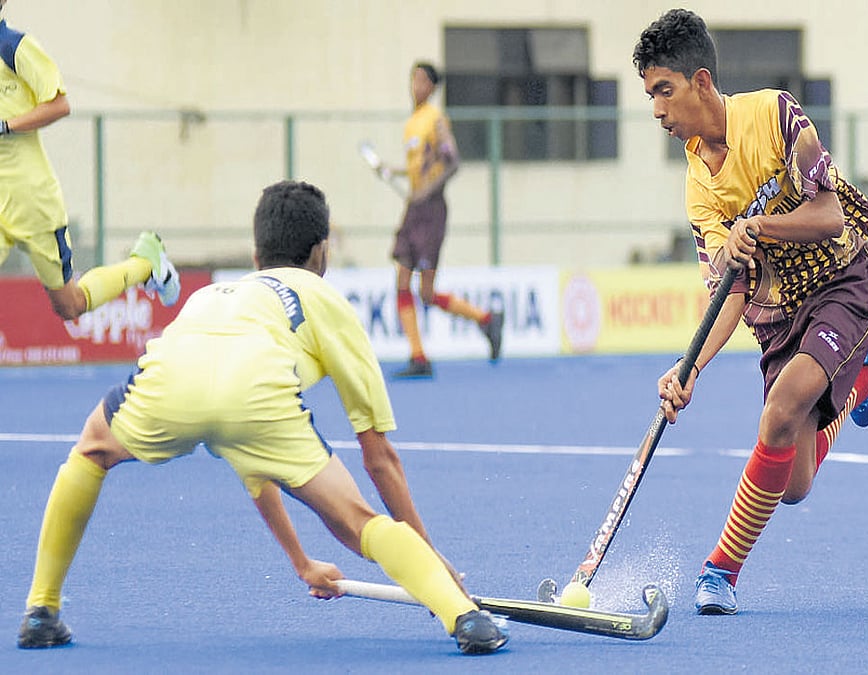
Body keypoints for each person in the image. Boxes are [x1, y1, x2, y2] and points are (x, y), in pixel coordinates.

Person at [16, 180, 509, 655]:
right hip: (262, 395)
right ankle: (464, 618)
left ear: (256, 257)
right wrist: (429, 558)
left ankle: (41, 611)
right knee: (355, 522)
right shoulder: (326, 300)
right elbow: (379, 458)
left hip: (171, 381)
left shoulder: (211, 296)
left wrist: (302, 564)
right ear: (322, 253)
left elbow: (244, 455)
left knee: (91, 450)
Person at [633, 9, 868, 615]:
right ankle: (861, 378)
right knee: (792, 484)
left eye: (664, 91)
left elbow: (829, 214)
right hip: (779, 313)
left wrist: (758, 224)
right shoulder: (697, 184)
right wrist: (688, 368)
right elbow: (730, 292)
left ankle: (719, 570)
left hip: (842, 280)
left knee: (782, 405)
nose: (657, 111)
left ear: (700, 82)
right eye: (649, 97)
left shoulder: (773, 114)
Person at [0, 2, 179, 319]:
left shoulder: (14, 46)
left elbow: (58, 105)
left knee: (70, 305)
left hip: (31, 198)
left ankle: (145, 263)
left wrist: (6, 126)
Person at [375, 61, 503, 379]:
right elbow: (420, 167)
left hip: (431, 211)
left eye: (422, 80)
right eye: (413, 79)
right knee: (402, 279)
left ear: (432, 88)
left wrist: (426, 192)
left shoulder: (435, 120)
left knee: (427, 292)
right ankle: (419, 356)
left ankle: (486, 319)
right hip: (414, 208)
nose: (416, 85)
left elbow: (452, 161)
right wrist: (393, 171)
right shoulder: (412, 124)